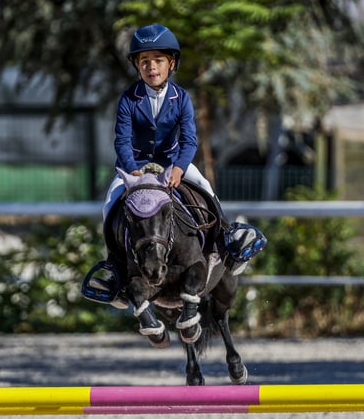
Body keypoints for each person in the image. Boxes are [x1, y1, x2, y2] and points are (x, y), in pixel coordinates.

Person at [82, 23, 266, 308]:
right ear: (137, 66)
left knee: (205, 189)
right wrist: (132, 170)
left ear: (171, 64)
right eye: (144, 61)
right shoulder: (129, 99)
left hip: (171, 162)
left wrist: (180, 167)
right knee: (109, 205)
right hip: (136, 166)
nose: (151, 67)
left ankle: (227, 243)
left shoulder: (182, 98)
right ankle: (114, 271)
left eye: (158, 60)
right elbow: (121, 140)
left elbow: (190, 140)